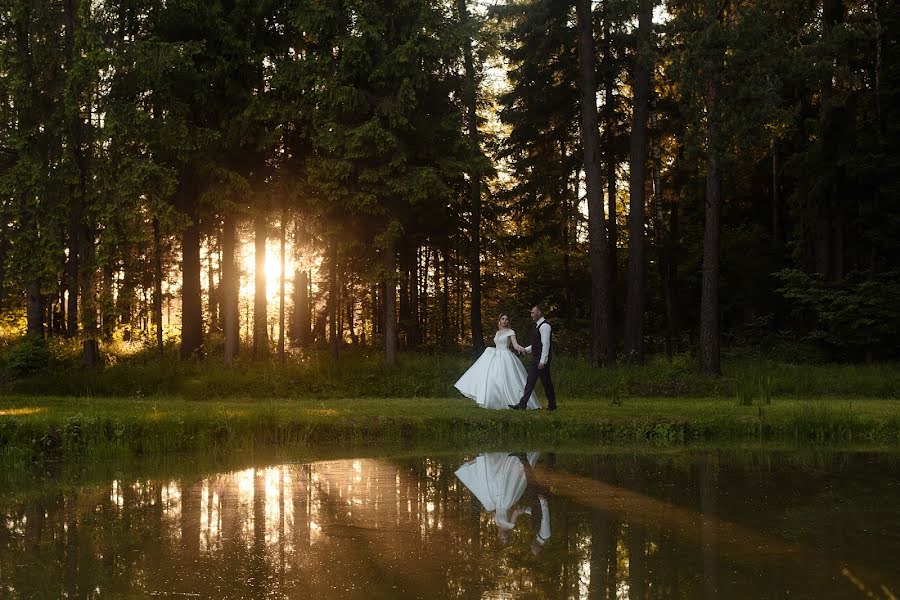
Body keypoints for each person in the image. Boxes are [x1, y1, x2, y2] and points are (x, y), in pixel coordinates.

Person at [454, 314, 540, 410]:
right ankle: (494, 400)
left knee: (508, 379)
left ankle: (516, 401)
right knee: (492, 378)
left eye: (506, 319)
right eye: (502, 319)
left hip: (505, 356)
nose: (504, 321)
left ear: (509, 321)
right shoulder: (498, 333)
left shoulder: (511, 331)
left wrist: (523, 349)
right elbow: (498, 344)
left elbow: (515, 345)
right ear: (499, 321)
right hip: (496, 355)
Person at [509, 305, 557, 411]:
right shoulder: (538, 326)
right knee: (531, 381)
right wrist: (526, 350)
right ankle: (523, 404)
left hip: (540, 359)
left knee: (545, 382)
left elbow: (546, 344)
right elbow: (536, 344)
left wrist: (543, 361)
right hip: (536, 358)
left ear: (539, 313)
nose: (531, 315)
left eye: (532, 312)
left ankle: (552, 404)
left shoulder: (545, 326)